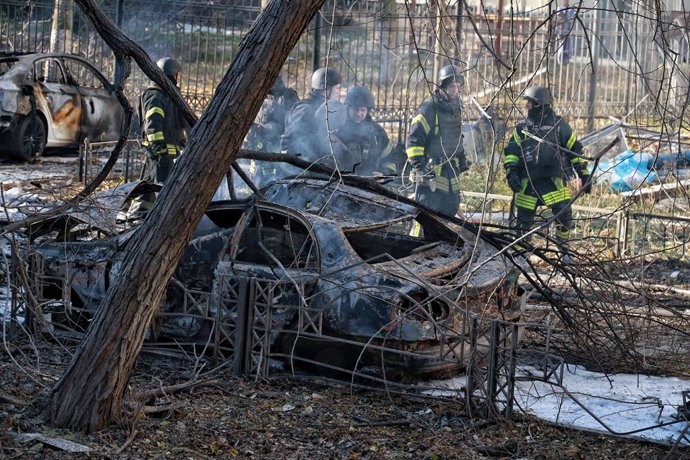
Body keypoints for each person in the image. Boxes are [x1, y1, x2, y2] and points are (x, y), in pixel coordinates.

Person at [503, 85, 591, 256]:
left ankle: (564, 249)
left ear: (539, 103)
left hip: (552, 181)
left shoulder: (559, 126)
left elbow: (575, 150)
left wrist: (584, 174)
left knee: (564, 215)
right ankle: (521, 256)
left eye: (529, 102)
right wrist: (511, 173)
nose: (526, 106)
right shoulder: (522, 128)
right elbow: (512, 152)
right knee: (523, 223)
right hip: (527, 182)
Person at [406, 64, 469, 217]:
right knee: (426, 216)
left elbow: (456, 134)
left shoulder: (456, 108)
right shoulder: (428, 108)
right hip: (430, 172)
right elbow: (414, 140)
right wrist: (419, 167)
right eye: (452, 85)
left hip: (450, 171)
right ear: (442, 85)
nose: (455, 90)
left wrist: (461, 158)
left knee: (449, 213)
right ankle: (418, 242)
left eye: (457, 86)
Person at [139, 57, 191, 184]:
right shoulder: (156, 97)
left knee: (154, 193)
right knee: (159, 191)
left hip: (171, 156)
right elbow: (153, 126)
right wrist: (162, 151)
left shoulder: (168, 95)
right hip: (161, 159)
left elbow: (182, 121)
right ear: (173, 75)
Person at [335, 86, 399, 180]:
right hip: (342, 183)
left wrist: (384, 173)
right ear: (348, 109)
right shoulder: (338, 130)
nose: (359, 114)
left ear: (368, 110)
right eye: (356, 110)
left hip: (370, 185)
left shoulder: (378, 133)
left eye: (363, 110)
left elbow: (390, 159)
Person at [280, 67, 342, 161]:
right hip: (301, 169)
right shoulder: (305, 109)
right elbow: (287, 143)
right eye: (336, 88)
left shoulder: (323, 108)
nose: (338, 92)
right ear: (323, 88)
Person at [245, 75, 299, 153]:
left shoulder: (289, 96)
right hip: (260, 145)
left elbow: (295, 124)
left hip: (281, 145)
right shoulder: (258, 96)